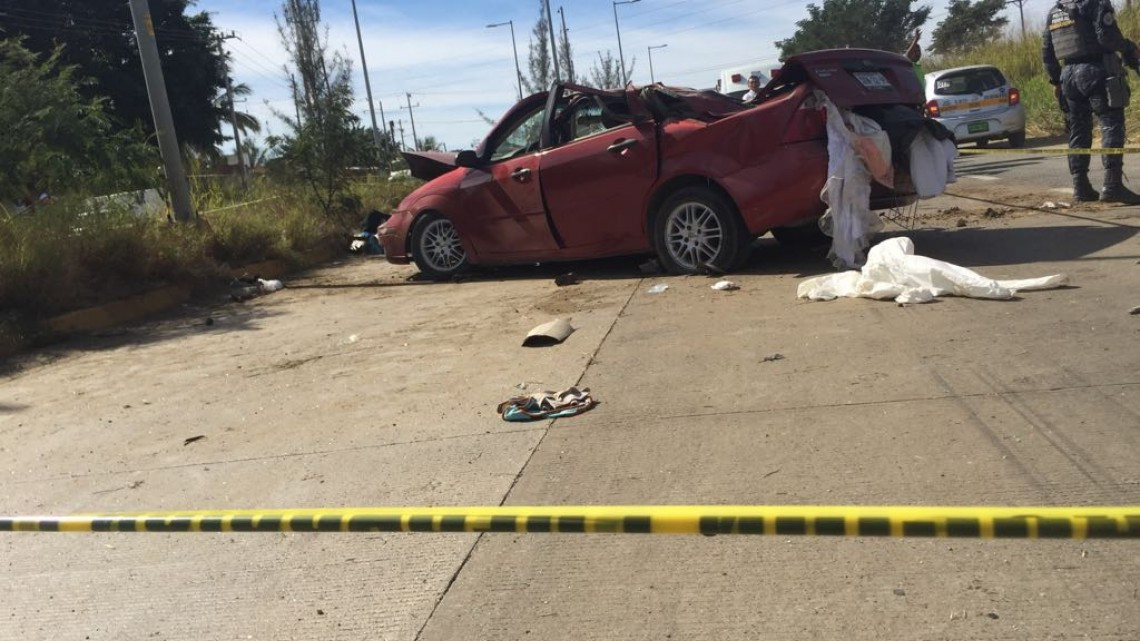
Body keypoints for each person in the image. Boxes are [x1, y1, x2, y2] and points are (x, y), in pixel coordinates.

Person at [1043, 0, 1140, 203]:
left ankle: (1081, 187)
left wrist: (1056, 82)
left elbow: (1048, 53)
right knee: (1112, 125)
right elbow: (1107, 37)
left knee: (1079, 130)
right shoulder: (1095, 3)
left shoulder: (1054, 12)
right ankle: (1112, 185)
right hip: (1097, 70)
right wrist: (1129, 47)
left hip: (1068, 76)